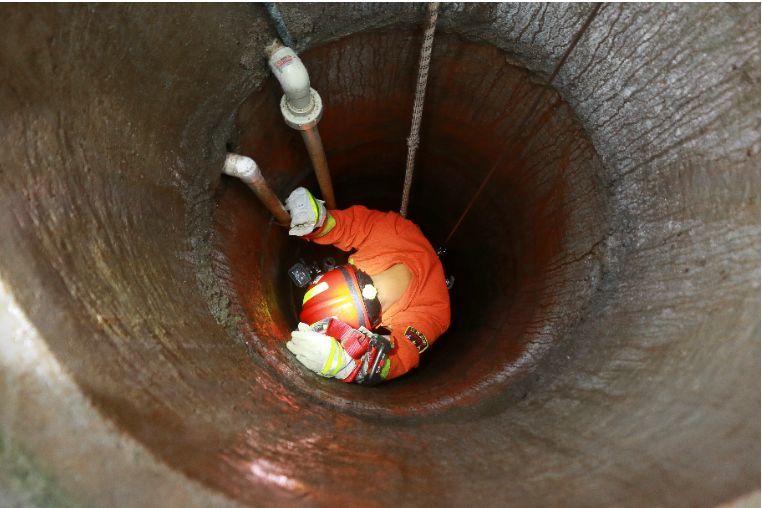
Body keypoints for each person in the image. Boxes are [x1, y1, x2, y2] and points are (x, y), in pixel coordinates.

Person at [284, 187, 450, 384]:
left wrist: (349, 366)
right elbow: (353, 226)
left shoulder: (434, 310)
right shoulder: (395, 232)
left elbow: (402, 355)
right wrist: (318, 223)